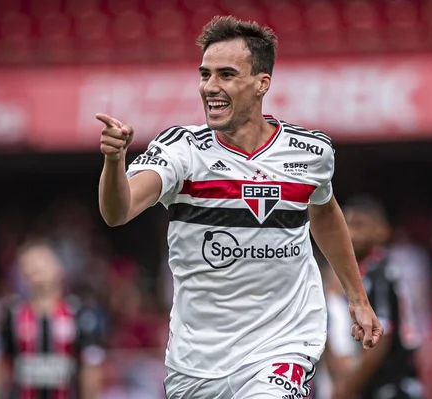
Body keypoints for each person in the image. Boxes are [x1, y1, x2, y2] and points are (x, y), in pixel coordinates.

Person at [97, 15, 383, 399]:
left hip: (282, 344)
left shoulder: (310, 153)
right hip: (197, 359)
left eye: (226, 75)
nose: (210, 87)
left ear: (261, 83)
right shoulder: (183, 152)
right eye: (205, 75)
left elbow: (325, 212)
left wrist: (357, 298)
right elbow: (118, 211)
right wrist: (114, 162)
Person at [0, 238, 105, 399]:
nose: (34, 267)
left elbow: (91, 372)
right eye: (28, 263)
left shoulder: (81, 316)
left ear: (59, 268)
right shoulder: (10, 316)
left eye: (41, 261)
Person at [331, 196, 422, 399]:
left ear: (382, 231)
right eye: (346, 225)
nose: (351, 234)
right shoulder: (364, 273)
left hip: (391, 382)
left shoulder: (380, 273)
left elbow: (380, 337)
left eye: (359, 225)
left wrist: (348, 387)